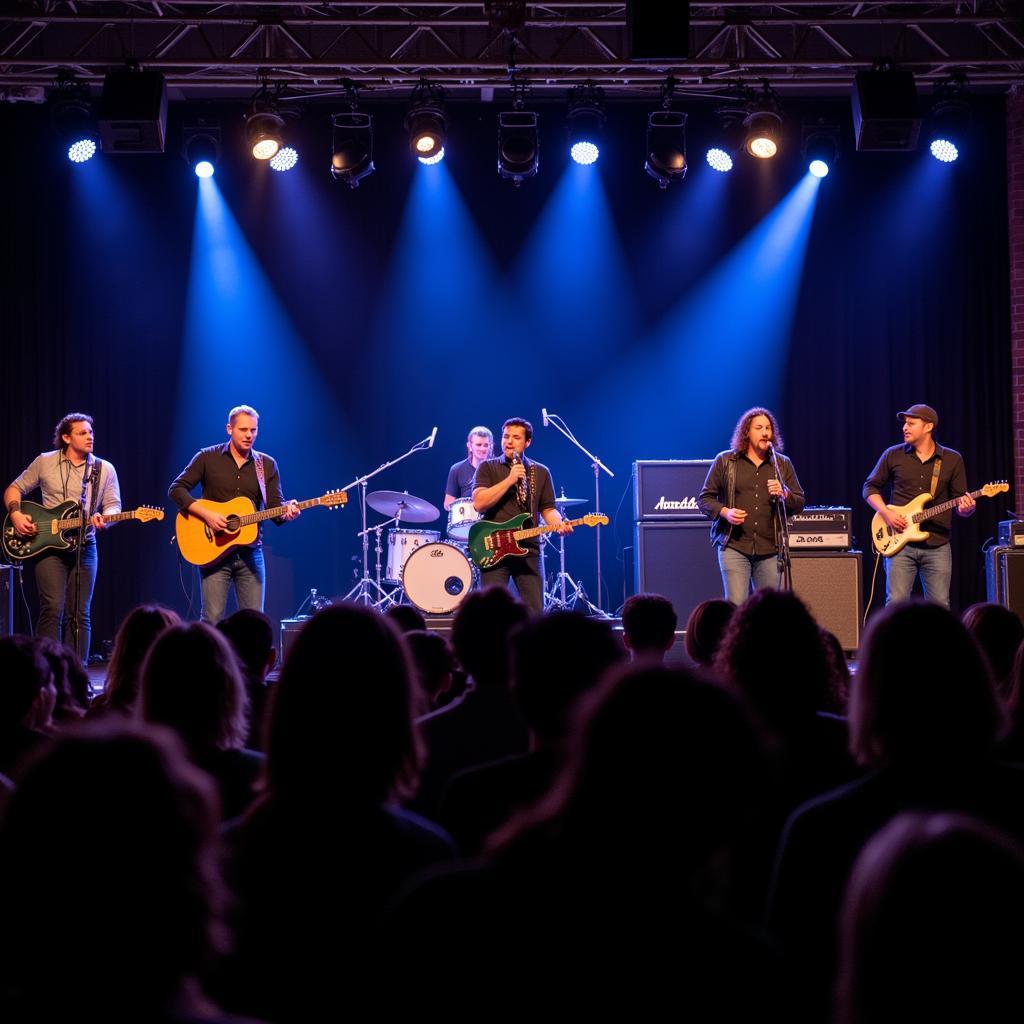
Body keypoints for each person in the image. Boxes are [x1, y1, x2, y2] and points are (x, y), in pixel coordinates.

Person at [3, 413, 121, 663]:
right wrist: (16, 514)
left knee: (80, 614)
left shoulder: (104, 468)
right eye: (82, 432)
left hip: (86, 545)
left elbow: (113, 507)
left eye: (91, 432)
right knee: (52, 609)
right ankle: (47, 672)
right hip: (48, 547)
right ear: (66, 437)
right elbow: (14, 488)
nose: (90, 436)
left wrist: (105, 519)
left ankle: (77, 673)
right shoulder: (45, 462)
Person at [168, 405, 300, 624]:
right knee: (212, 620)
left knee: (255, 623)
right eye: (243, 429)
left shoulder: (266, 465)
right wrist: (207, 514)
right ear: (229, 429)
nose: (249, 435)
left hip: (250, 553)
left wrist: (287, 513)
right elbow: (176, 489)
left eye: (254, 430)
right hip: (213, 552)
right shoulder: (207, 457)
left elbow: (275, 511)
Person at [863, 403, 974, 608]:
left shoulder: (952, 459)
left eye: (911, 424)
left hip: (937, 544)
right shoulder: (893, 454)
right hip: (899, 544)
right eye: (905, 424)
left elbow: (960, 503)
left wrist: (967, 509)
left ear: (928, 427)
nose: (905, 428)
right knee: (896, 605)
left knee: (940, 606)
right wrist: (886, 513)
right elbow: (869, 488)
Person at [698, 407, 805, 606]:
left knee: (767, 611)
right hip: (734, 546)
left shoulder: (782, 465)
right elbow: (705, 499)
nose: (765, 432)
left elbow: (799, 502)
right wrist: (725, 512)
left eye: (768, 428)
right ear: (746, 432)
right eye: (759, 428)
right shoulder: (726, 461)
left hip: (770, 549)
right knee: (736, 605)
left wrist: (785, 493)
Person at [471, 417, 571, 614]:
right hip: (494, 549)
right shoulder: (488, 467)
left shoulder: (541, 472)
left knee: (535, 612)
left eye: (516, 437)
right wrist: (509, 480)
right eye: (506, 436)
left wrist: (559, 524)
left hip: (529, 549)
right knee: (491, 613)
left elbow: (548, 510)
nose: (509, 441)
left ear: (527, 442)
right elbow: (479, 503)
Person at [444, 426, 494, 510]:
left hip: (493, 520)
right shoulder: (456, 469)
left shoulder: (498, 468)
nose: (482, 449)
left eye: (486, 445)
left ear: (491, 447)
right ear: (470, 446)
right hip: (468, 520)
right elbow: (448, 504)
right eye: (478, 445)